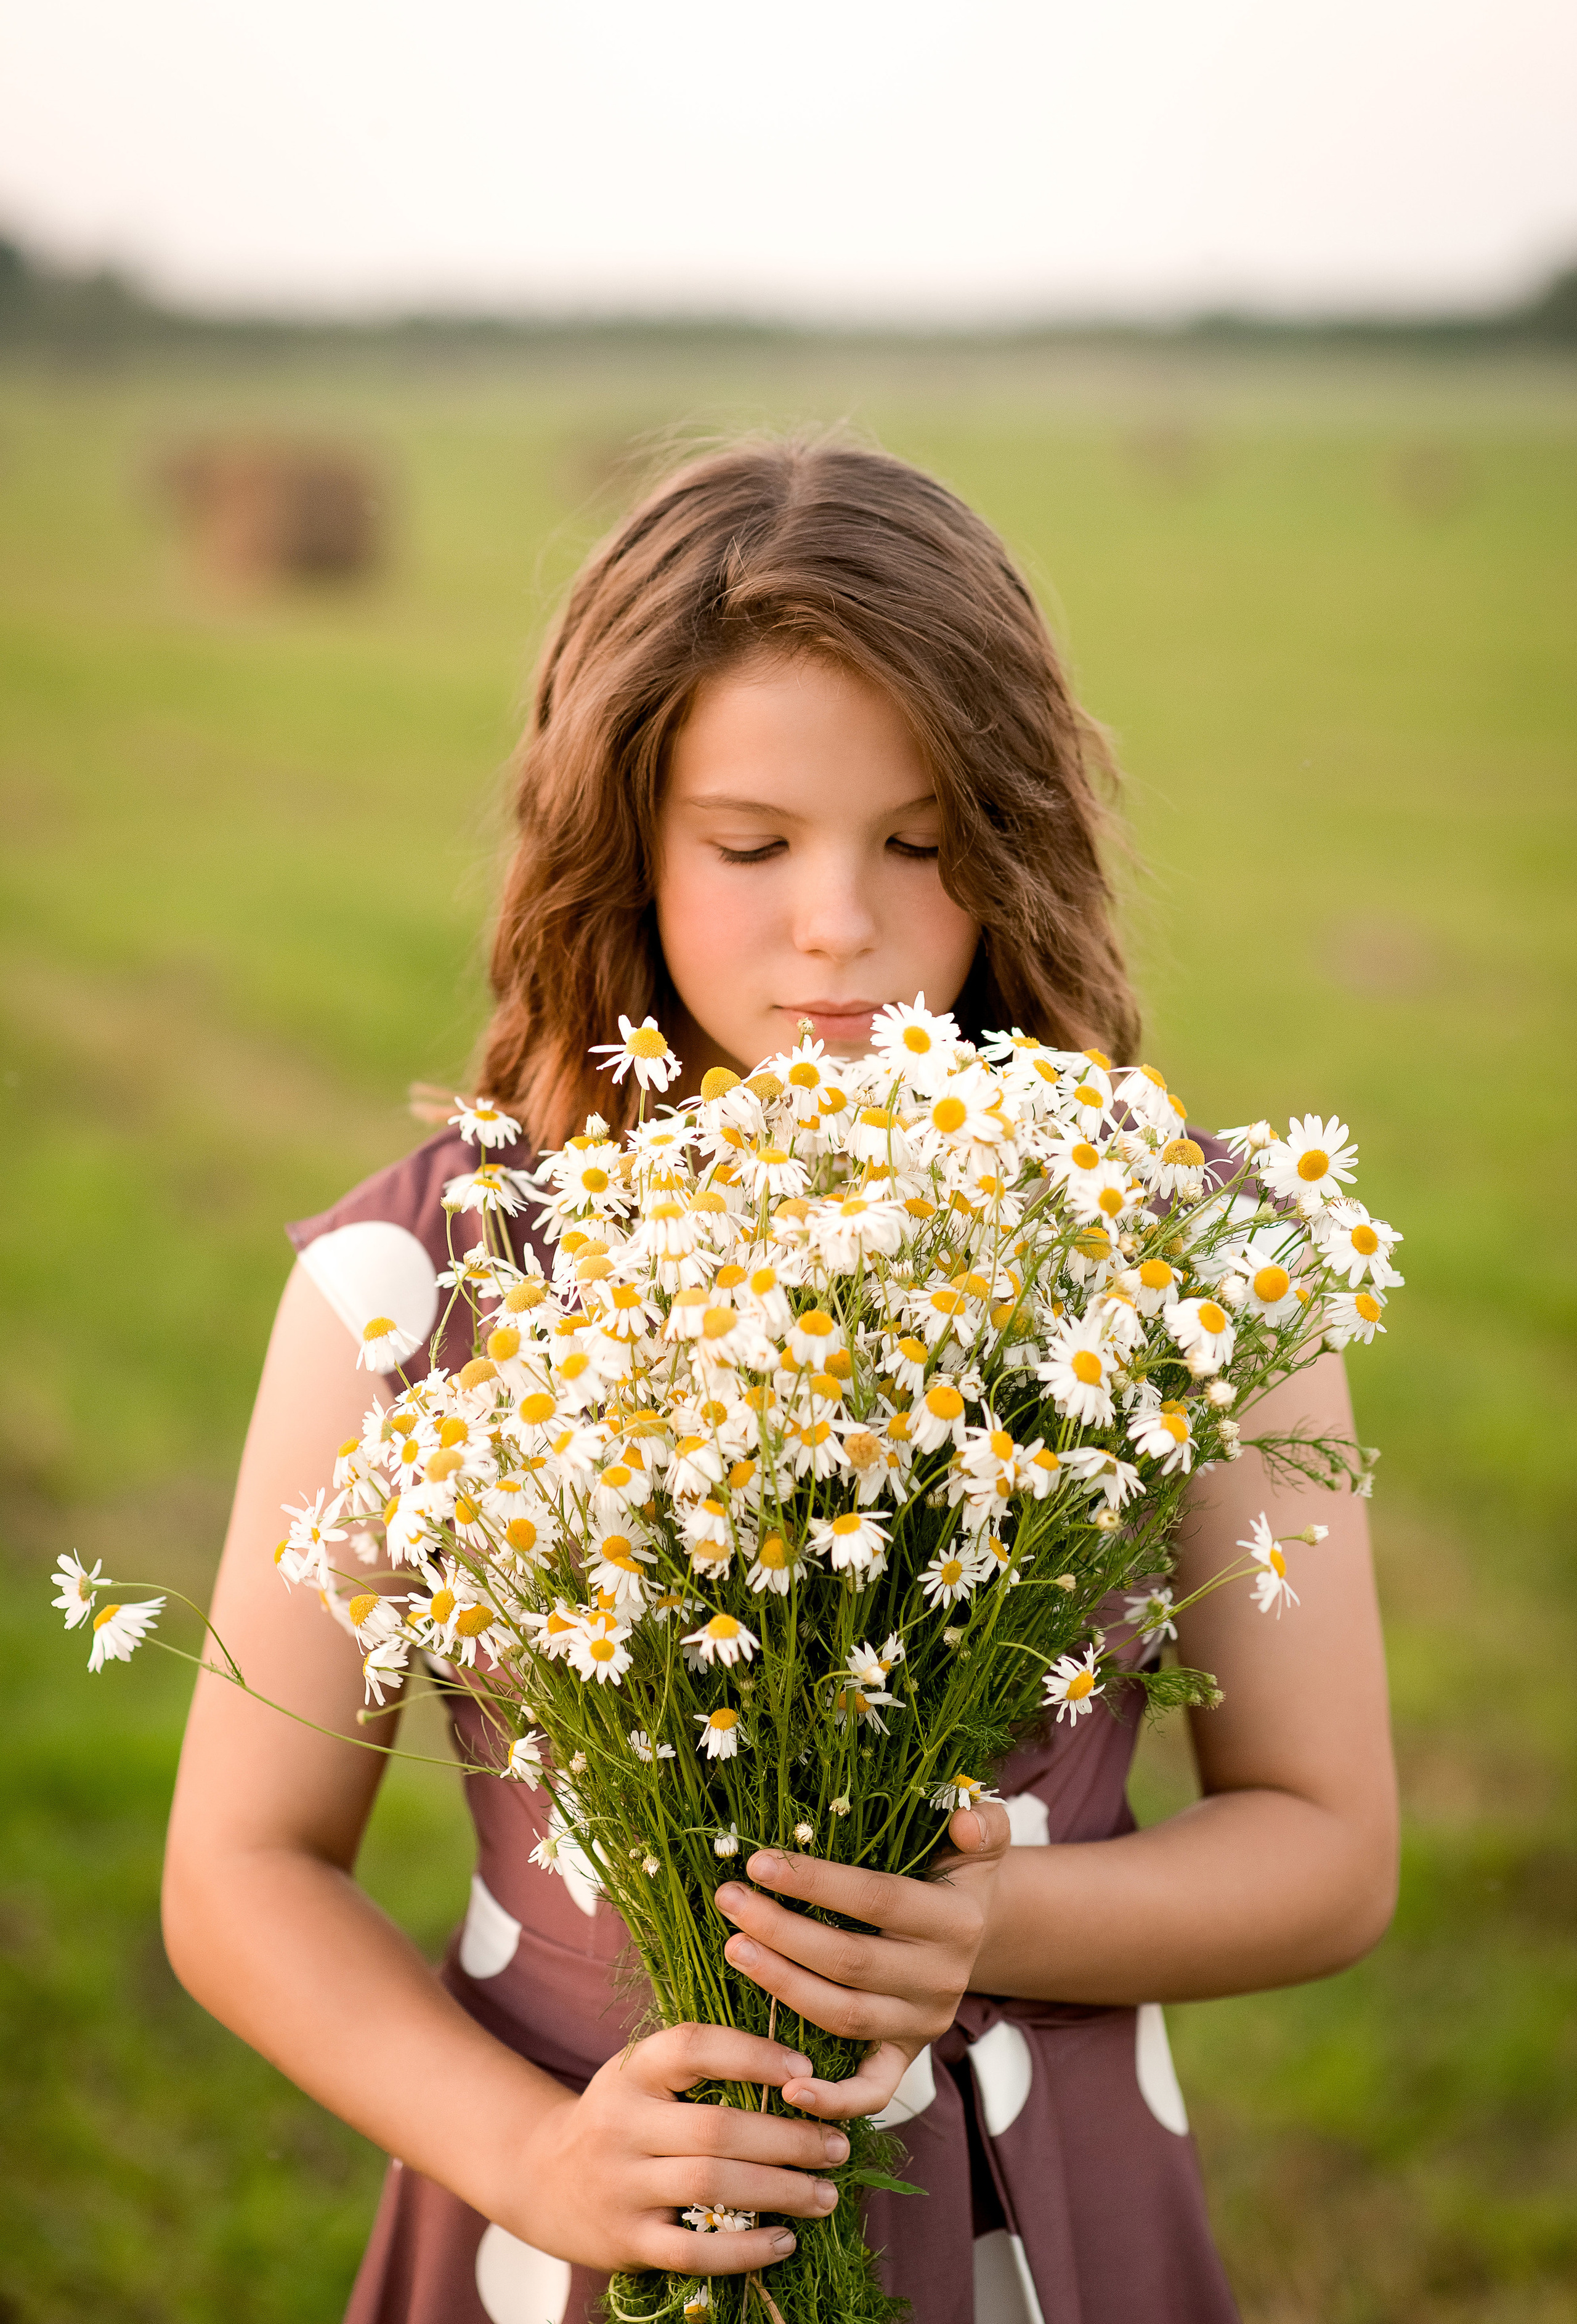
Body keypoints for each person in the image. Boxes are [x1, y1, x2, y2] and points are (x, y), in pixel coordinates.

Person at [162, 434, 1399, 2324]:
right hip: (571, 2218)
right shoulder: (414, 1283)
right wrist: (538, 2160)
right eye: (751, 846)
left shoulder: (1192, 1268)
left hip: (1035, 2223)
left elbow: (1331, 1846)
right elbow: (240, 1870)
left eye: (923, 843)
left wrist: (992, 1918)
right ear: (621, 841)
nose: (841, 922)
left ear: (1016, 839)